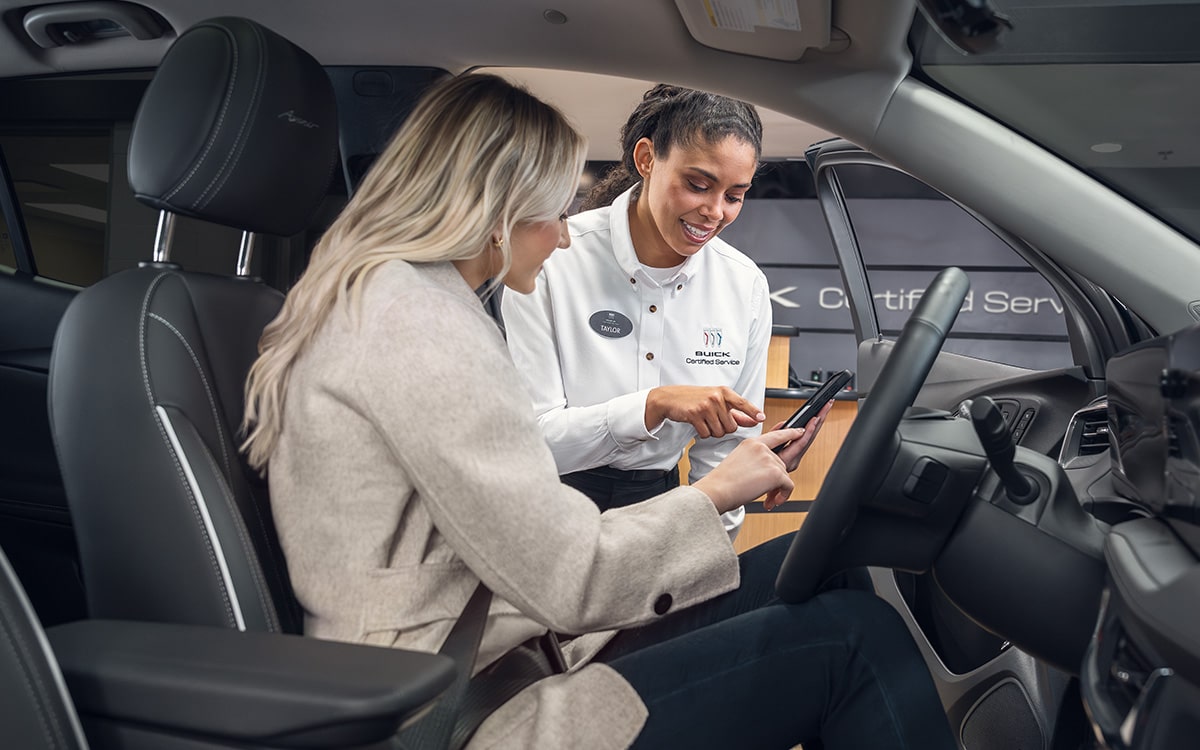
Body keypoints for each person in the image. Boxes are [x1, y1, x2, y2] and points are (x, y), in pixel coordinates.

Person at [241, 72, 955, 750]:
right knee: (857, 640)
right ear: (493, 209)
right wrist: (711, 493)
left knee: (828, 569)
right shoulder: (420, 331)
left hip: (504, 639)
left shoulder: (392, 301)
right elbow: (570, 576)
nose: (562, 235)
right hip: (453, 702)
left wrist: (714, 492)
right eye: (554, 211)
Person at [502, 84, 775, 538]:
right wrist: (652, 405)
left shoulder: (744, 285)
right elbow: (532, 440)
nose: (714, 212)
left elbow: (726, 452)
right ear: (646, 159)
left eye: (734, 195)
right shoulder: (552, 256)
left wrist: (708, 555)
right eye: (698, 185)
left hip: (666, 501)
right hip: (549, 502)